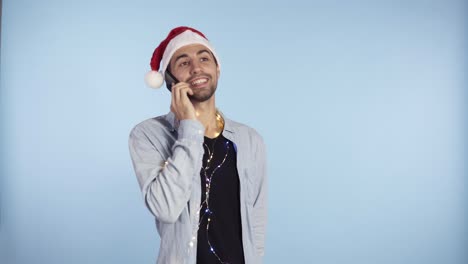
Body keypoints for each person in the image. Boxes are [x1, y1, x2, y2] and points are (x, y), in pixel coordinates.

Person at [128, 26, 267, 264]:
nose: (196, 68)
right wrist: (189, 127)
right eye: (183, 63)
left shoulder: (248, 139)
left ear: (217, 69)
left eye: (204, 58)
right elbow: (166, 208)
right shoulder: (148, 134)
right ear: (170, 81)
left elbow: (256, 220)